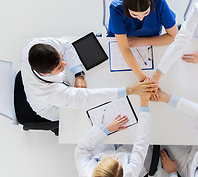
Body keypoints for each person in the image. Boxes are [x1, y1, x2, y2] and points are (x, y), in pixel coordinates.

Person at [21, 37, 157, 121]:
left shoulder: (35, 45)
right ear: (46, 74)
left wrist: (78, 74)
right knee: (85, 114)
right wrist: (131, 90)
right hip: (50, 109)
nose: (65, 64)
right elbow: (88, 97)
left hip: (56, 88)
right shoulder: (50, 92)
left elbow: (67, 45)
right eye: (59, 67)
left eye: (62, 59)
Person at [75, 91, 152, 177]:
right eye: (118, 161)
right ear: (123, 171)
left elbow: (82, 148)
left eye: (108, 159)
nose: (115, 157)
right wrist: (144, 105)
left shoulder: (85, 172)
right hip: (129, 149)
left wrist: (106, 130)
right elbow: (141, 143)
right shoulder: (130, 174)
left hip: (104, 144)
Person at [107, 0, 178, 81]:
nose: (140, 19)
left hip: (151, 43)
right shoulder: (116, 8)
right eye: (134, 15)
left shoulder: (159, 2)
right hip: (120, 44)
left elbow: (174, 36)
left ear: (151, 4)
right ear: (126, 8)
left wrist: (140, 41)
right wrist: (143, 79)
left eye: (146, 13)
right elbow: (124, 47)